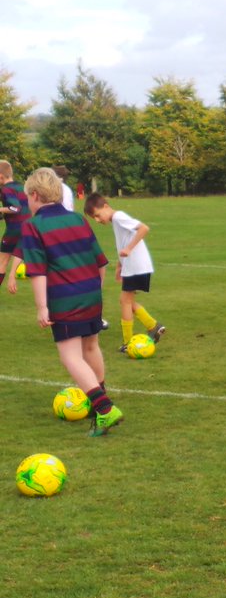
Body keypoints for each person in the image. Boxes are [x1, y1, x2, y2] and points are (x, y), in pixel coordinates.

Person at [18, 168, 123, 436]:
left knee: (69, 356)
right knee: (91, 347)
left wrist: (42, 307)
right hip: (90, 294)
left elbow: (38, 271)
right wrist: (92, 291)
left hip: (64, 298)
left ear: (34, 195)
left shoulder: (33, 226)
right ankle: (98, 396)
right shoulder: (78, 219)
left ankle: (104, 408)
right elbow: (100, 262)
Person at [83, 194, 166, 354]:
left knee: (125, 302)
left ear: (106, 206)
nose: (98, 220)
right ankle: (153, 325)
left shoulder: (119, 216)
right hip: (133, 266)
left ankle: (129, 341)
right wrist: (120, 265)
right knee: (126, 301)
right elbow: (122, 242)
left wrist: (129, 249)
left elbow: (144, 228)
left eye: (98, 215)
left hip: (137, 266)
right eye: (94, 218)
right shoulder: (116, 220)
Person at [0, 160, 30, 286]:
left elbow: (15, 208)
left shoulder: (5, 190)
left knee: (2, 261)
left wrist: (1, 209)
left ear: (0, 176)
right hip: (28, 228)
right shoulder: (21, 187)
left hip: (14, 230)